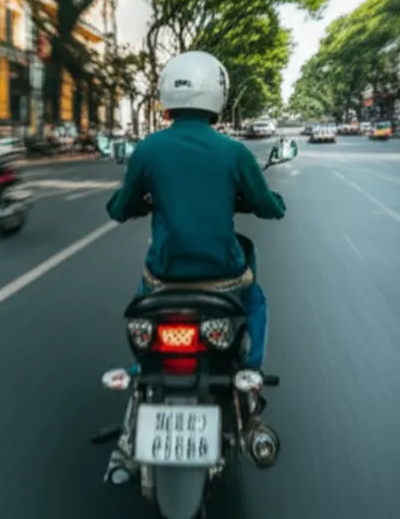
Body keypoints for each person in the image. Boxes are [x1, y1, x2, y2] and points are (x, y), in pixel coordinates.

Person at [106, 50, 286, 373]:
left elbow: (120, 209)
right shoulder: (235, 152)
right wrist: (276, 203)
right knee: (255, 301)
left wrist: (135, 204)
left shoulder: (148, 148)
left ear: (167, 94)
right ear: (217, 94)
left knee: (139, 300)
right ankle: (252, 371)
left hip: (163, 277)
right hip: (224, 279)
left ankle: (143, 365)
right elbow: (267, 206)